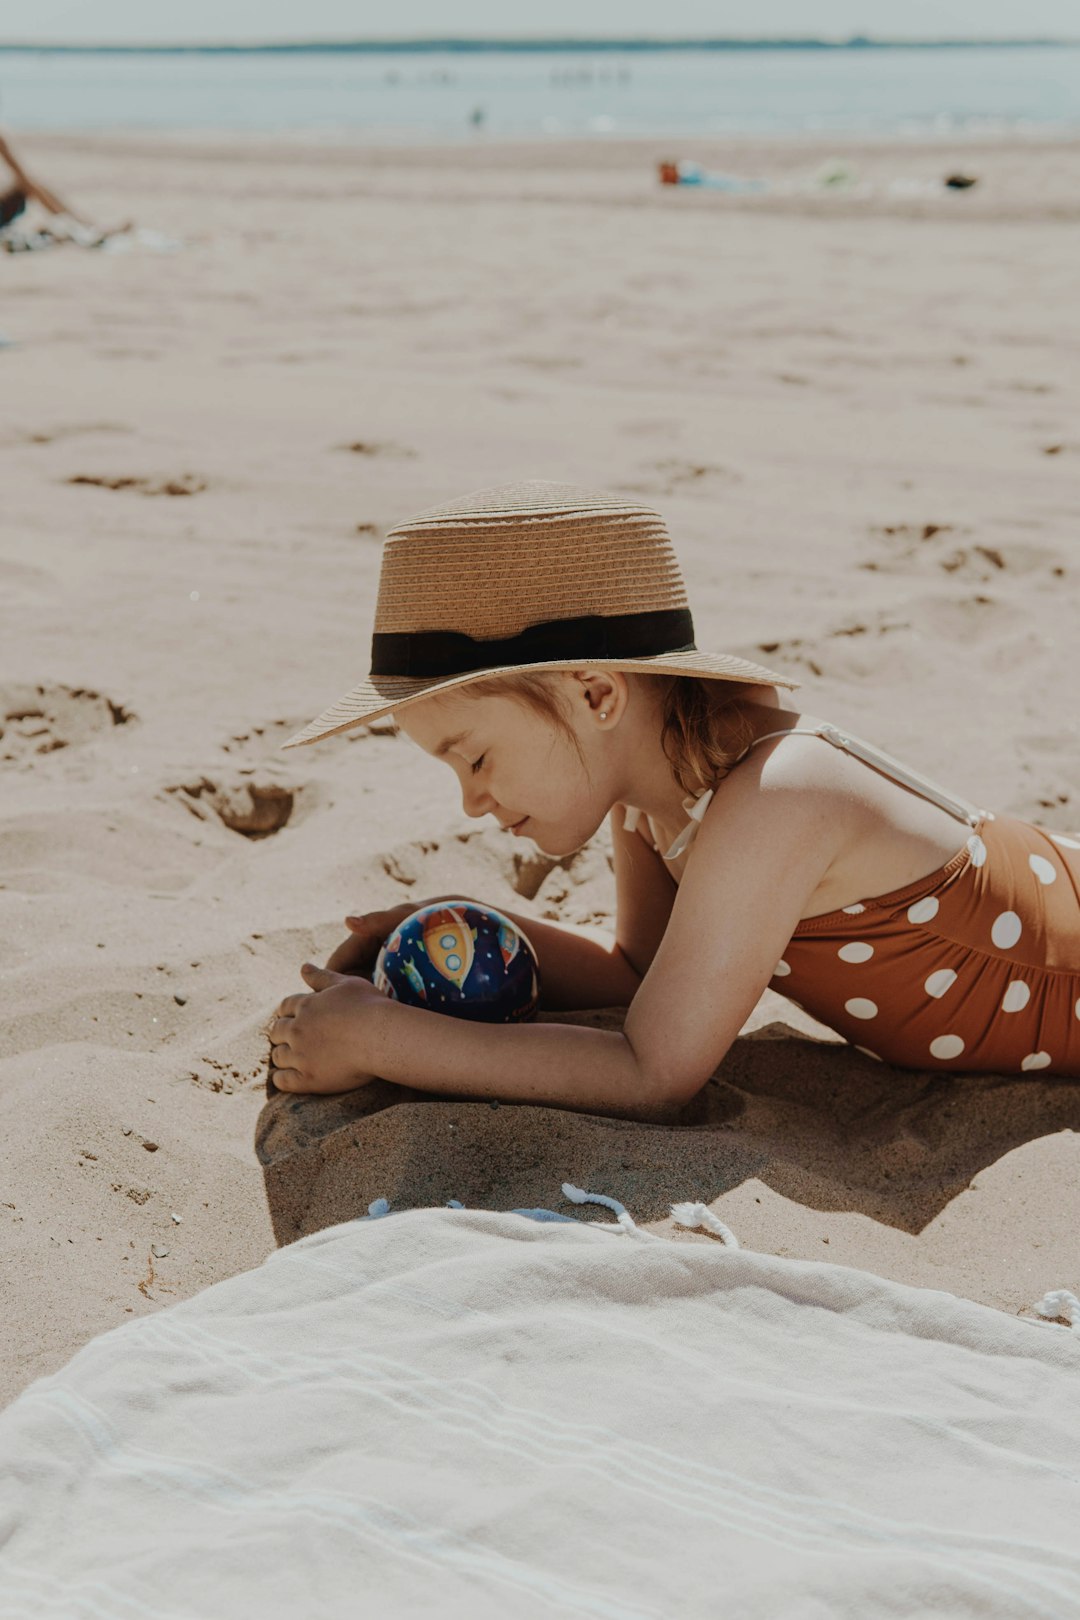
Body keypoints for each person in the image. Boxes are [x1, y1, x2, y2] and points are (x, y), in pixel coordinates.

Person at [268, 480, 1080, 1111]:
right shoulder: (656, 791)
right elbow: (644, 976)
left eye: (475, 758)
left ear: (595, 697)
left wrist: (383, 1040)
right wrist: (472, 924)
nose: (472, 803)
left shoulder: (781, 794)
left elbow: (651, 1073)